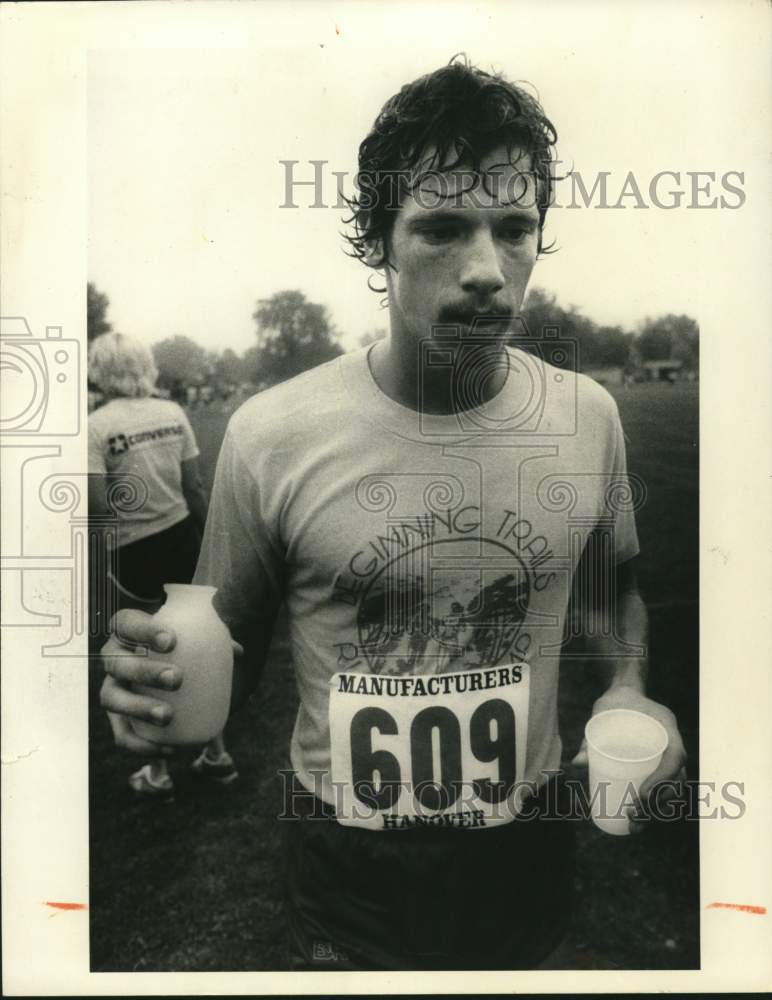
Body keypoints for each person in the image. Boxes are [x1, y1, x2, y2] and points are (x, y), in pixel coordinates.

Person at [99, 57, 687, 968]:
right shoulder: (272, 434)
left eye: (514, 229)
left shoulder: (587, 416)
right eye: (442, 228)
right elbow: (227, 648)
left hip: (526, 838)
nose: (487, 270)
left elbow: (612, 591)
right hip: (348, 855)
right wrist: (161, 686)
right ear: (380, 242)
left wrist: (627, 686)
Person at [88, 332, 237, 798]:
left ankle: (158, 770)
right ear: (145, 365)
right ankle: (217, 754)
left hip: (133, 550)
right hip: (182, 535)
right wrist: (209, 540)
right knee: (194, 640)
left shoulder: (94, 426)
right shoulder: (171, 412)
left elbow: (97, 507)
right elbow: (194, 487)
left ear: (98, 371)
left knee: (144, 651)